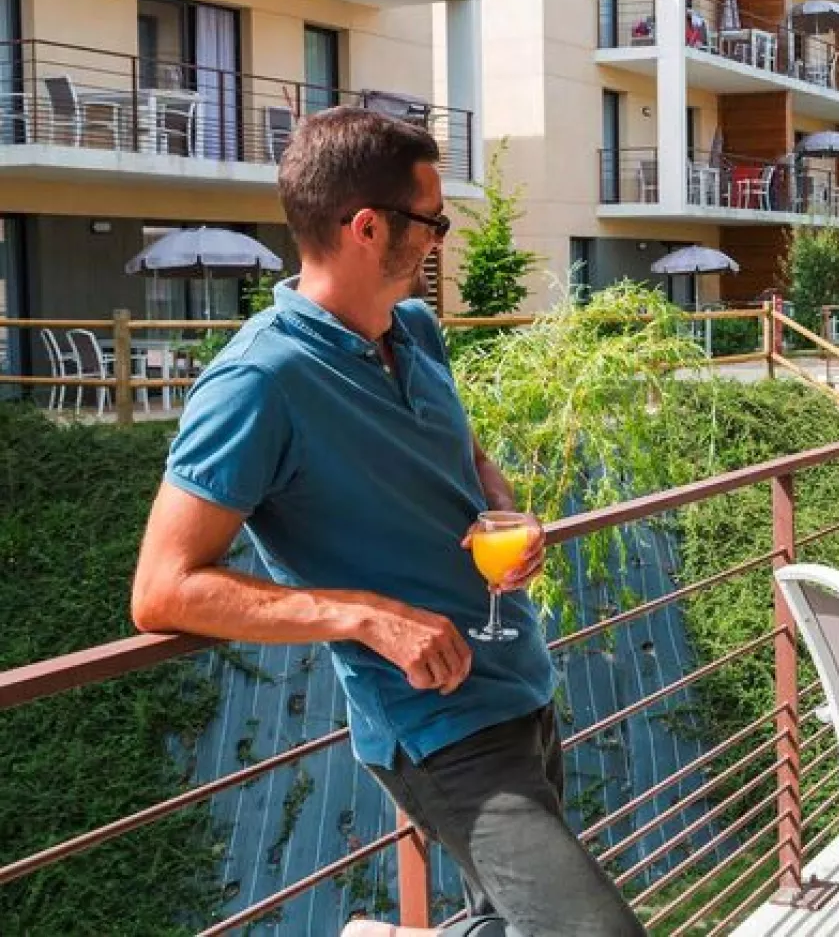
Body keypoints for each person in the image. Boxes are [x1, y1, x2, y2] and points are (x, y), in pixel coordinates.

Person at [130, 107, 647, 937]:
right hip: (434, 716)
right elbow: (162, 589)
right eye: (433, 219)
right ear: (369, 227)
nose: (441, 236)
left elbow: (468, 458)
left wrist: (505, 514)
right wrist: (365, 616)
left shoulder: (415, 329)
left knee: (515, 919)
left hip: (518, 679)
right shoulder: (256, 382)